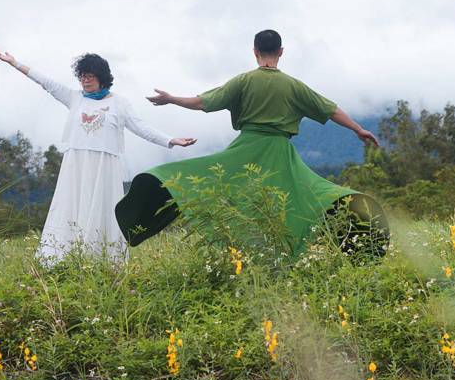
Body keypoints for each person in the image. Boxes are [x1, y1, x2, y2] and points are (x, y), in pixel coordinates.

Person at [114, 29, 383, 256]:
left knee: (228, 192)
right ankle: (313, 249)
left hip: (246, 150)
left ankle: (241, 252)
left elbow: (202, 102)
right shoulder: (294, 85)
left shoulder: (243, 81)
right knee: (305, 198)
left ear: (255, 51)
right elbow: (331, 110)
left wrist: (172, 99)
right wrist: (358, 129)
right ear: (281, 52)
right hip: (280, 154)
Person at [0, 47, 195, 263]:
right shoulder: (74, 98)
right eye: (82, 76)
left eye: (90, 76)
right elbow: (45, 82)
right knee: (71, 206)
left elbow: (141, 127)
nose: (85, 81)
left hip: (104, 165)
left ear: (102, 77)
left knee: (103, 208)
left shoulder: (120, 103)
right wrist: (14, 63)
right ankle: (61, 257)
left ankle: (103, 259)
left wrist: (170, 140)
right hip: (76, 163)